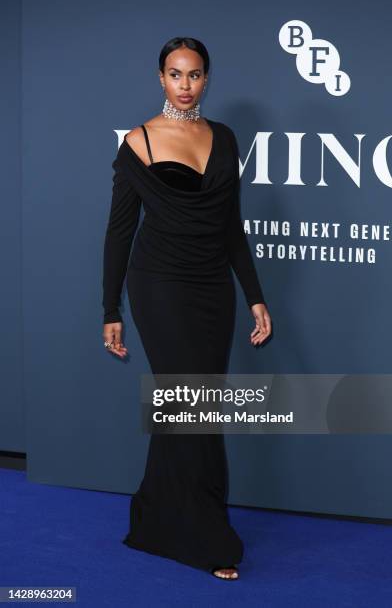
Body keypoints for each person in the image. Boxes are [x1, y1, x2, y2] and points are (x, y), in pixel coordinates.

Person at [102, 36, 272, 580]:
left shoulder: (223, 137)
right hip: (159, 286)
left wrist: (255, 296)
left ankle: (156, 518)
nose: (185, 84)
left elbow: (232, 228)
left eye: (195, 74)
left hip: (211, 288)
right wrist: (111, 308)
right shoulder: (138, 142)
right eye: (175, 74)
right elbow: (120, 231)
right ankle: (205, 538)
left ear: (207, 78)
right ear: (160, 78)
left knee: (197, 408)